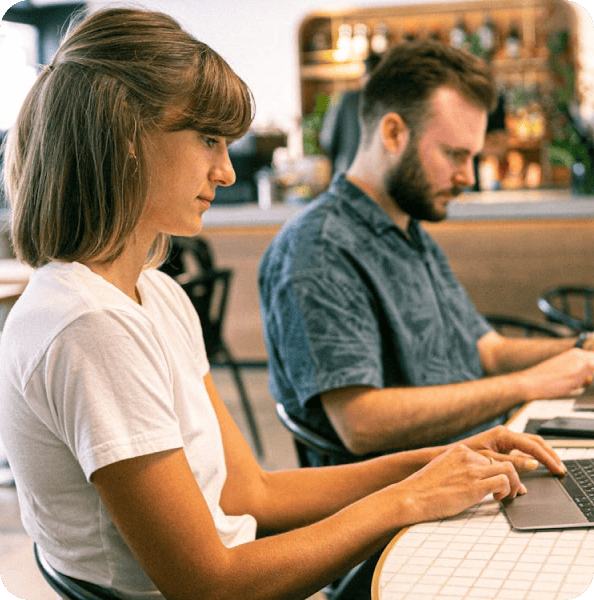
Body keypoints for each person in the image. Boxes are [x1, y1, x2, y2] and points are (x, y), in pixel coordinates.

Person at [0, 10, 568, 600]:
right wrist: (407, 499)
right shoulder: (90, 325)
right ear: (126, 139)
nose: (225, 171)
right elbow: (208, 585)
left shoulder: (155, 295)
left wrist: (440, 460)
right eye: (208, 140)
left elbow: (254, 496)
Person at [258, 39, 594, 469]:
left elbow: (486, 351)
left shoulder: (408, 229)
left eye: (471, 157)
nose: (467, 177)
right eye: (455, 154)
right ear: (394, 132)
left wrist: (582, 349)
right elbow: (361, 423)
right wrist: (526, 385)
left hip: (476, 460)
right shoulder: (319, 249)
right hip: (403, 500)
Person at [319, 52, 382, 176]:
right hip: (378, 180)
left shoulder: (346, 100)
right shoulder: (391, 102)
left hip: (347, 175)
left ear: (363, 76)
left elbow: (327, 140)